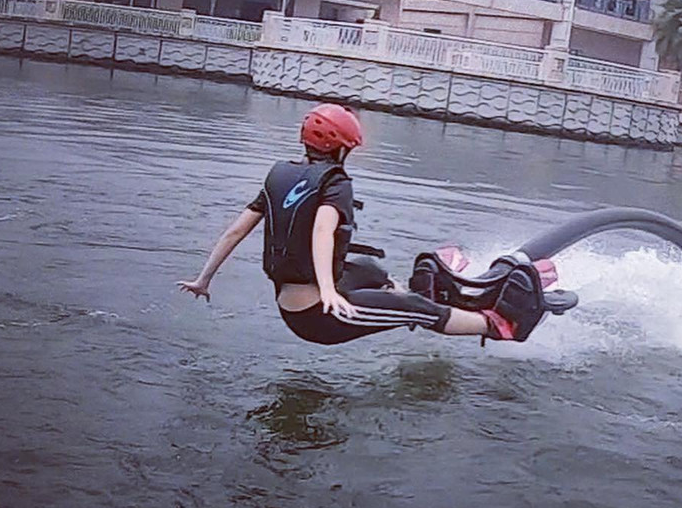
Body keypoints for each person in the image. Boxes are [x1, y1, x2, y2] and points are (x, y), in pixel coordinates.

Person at [177, 103, 551, 345]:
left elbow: (236, 230)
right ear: (341, 147)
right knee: (419, 310)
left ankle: (408, 297)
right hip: (319, 317)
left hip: (295, 302)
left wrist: (203, 279)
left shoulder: (279, 177)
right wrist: (329, 292)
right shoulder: (336, 182)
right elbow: (323, 230)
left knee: (371, 269)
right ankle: (499, 325)